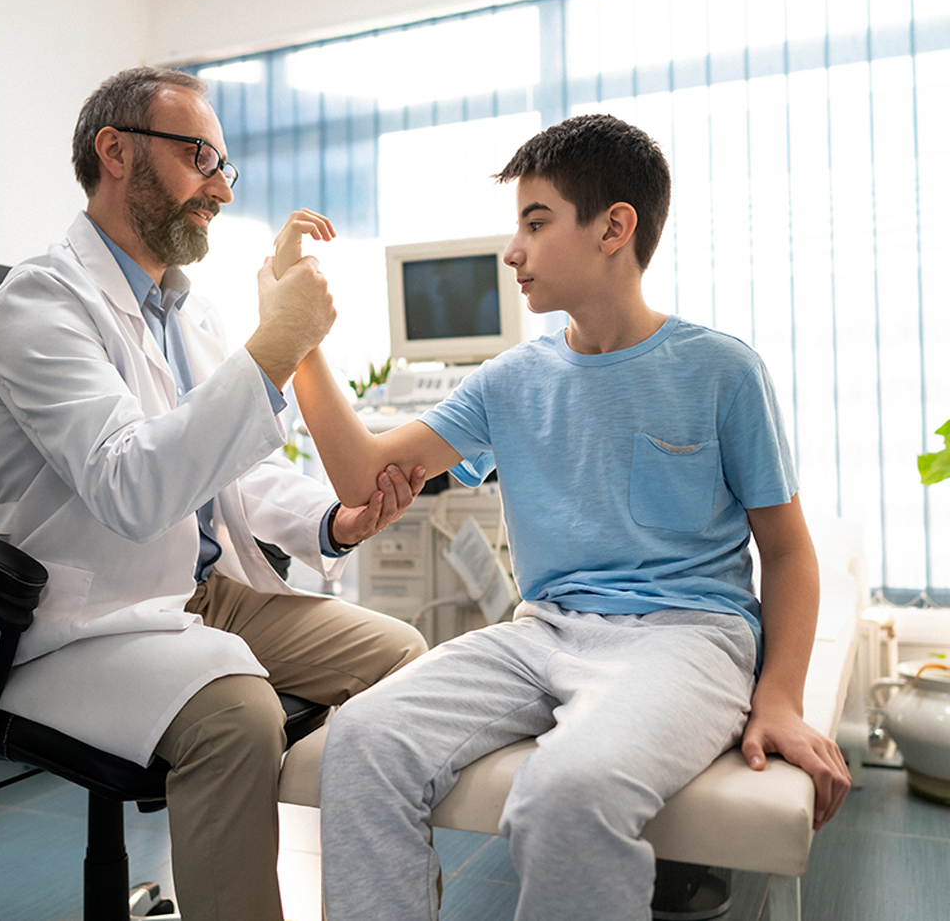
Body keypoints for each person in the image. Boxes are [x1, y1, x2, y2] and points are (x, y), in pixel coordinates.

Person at [289, 114, 852, 921]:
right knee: (364, 741)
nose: (512, 251)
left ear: (613, 228)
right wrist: (298, 341)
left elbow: (791, 556)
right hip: (544, 632)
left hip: (688, 635)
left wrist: (780, 701)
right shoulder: (511, 381)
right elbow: (357, 473)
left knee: (567, 789)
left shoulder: (722, 371)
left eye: (536, 221)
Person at [0, 66, 427, 921]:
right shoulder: (40, 303)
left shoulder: (184, 314)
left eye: (225, 166)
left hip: (206, 595)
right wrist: (276, 341)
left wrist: (331, 518)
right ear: (116, 150)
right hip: (81, 619)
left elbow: (235, 474)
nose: (220, 185)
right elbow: (132, 486)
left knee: (404, 662)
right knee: (237, 719)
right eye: (201, 154)